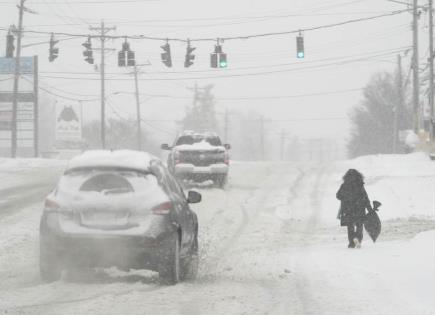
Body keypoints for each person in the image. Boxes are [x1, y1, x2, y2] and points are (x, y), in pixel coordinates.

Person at [336, 169, 372, 248]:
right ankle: (358, 238)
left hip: (348, 209)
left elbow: (338, 195)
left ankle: (351, 243)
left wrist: (346, 198)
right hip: (359, 208)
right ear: (358, 176)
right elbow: (365, 197)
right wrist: (369, 208)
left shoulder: (344, 185)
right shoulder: (360, 185)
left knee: (350, 226)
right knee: (359, 225)